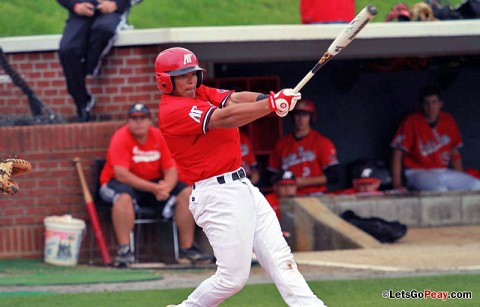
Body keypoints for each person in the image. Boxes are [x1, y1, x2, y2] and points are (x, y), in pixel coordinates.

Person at [155, 47, 326, 306]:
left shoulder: (200, 91)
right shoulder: (172, 110)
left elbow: (234, 100)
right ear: (166, 81)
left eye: (193, 74)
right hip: (216, 194)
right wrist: (269, 106)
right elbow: (224, 117)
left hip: (243, 186)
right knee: (232, 279)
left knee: (281, 259)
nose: (190, 80)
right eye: (182, 76)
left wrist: (272, 99)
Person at [99, 102, 211, 266]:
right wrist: (155, 188)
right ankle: (124, 251)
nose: (139, 122)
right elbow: (121, 175)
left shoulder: (158, 136)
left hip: (154, 186)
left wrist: (166, 187)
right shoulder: (121, 137)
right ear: (128, 121)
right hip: (117, 183)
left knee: (186, 193)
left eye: (143, 118)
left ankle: (187, 249)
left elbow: (171, 170)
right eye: (134, 118)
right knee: (123, 198)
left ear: (150, 121)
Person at [390, 84, 480, 192]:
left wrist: (459, 177)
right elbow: (397, 153)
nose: (430, 106)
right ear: (421, 105)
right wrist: (397, 184)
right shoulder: (411, 121)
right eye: (426, 102)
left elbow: (454, 152)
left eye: (434, 102)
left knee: (476, 184)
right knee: (439, 189)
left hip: (442, 171)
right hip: (417, 172)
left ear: (440, 104)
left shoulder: (448, 120)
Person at [57, 0, 131, 122]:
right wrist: (75, 6)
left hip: (110, 12)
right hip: (81, 12)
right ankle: (82, 101)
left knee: (103, 29)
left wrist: (116, 5)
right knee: (67, 49)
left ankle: (89, 69)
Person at [268, 99, 341, 196]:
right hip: (289, 196)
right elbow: (271, 174)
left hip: (316, 195)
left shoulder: (322, 142)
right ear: (292, 117)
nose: (301, 119)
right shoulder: (282, 143)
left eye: (305, 115)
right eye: (298, 115)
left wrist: (303, 182)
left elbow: (334, 176)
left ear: (311, 117)